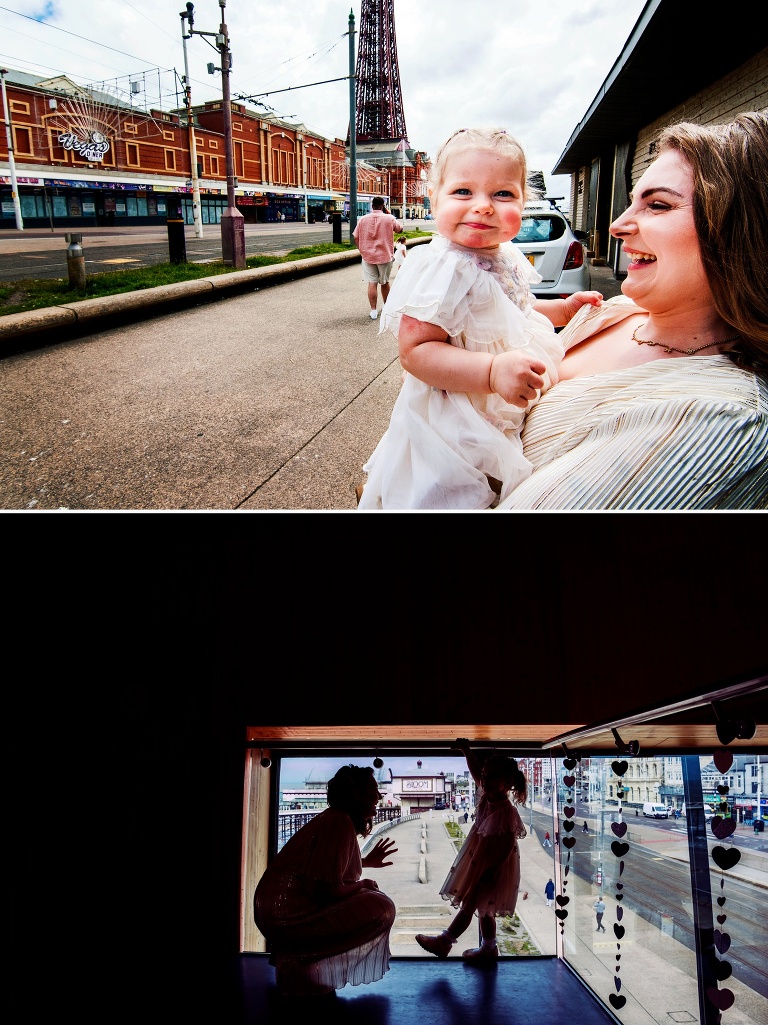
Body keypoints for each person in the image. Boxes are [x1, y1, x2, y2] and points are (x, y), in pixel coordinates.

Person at [496, 111, 768, 510]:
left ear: (741, 230)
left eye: (658, 205)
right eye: (630, 203)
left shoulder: (720, 419)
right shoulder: (614, 311)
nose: (617, 225)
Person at [356, 127, 602, 509]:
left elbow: (514, 311)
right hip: (453, 413)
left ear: (524, 203)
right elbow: (415, 351)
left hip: (494, 404)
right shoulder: (443, 267)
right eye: (463, 191)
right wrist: (491, 372)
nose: (484, 205)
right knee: (449, 492)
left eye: (503, 193)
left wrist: (563, 309)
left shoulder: (503, 255)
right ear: (434, 201)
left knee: (493, 478)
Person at [253, 764, 398, 998]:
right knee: (382, 907)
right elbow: (322, 890)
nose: (379, 796)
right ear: (357, 795)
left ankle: (301, 964)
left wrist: (366, 862)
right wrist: (362, 884)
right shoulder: (339, 822)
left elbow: (325, 867)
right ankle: (307, 963)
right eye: (373, 790)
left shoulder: (334, 819)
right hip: (286, 914)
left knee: (372, 898)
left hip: (276, 911)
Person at [414, 738, 527, 966]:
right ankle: (489, 948)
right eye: (485, 777)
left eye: (491, 777)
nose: (484, 781)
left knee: (470, 905)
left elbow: (506, 846)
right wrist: (466, 751)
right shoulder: (486, 797)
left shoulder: (505, 812)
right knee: (485, 910)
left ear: (508, 784)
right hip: (480, 862)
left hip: (492, 868)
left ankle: (445, 941)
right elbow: (476, 771)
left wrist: (492, 871)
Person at [353, 197, 403, 320]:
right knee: (384, 282)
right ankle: (386, 307)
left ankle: (373, 311)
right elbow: (400, 229)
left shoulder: (363, 219)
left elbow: (355, 236)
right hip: (384, 255)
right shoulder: (389, 218)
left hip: (368, 256)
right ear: (383, 205)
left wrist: (362, 250)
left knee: (372, 282)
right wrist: (390, 215)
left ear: (372, 205)